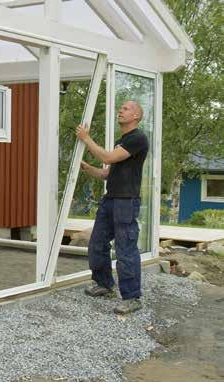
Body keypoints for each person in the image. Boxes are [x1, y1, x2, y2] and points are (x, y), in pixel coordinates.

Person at [76, 100, 149, 314]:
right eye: (121, 108)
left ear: (136, 116)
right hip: (111, 200)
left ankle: (132, 297)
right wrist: (86, 168)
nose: (120, 111)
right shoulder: (122, 141)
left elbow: (107, 157)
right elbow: (106, 173)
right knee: (97, 243)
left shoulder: (138, 138)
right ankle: (104, 284)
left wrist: (86, 138)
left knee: (125, 248)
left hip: (126, 202)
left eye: (125, 109)